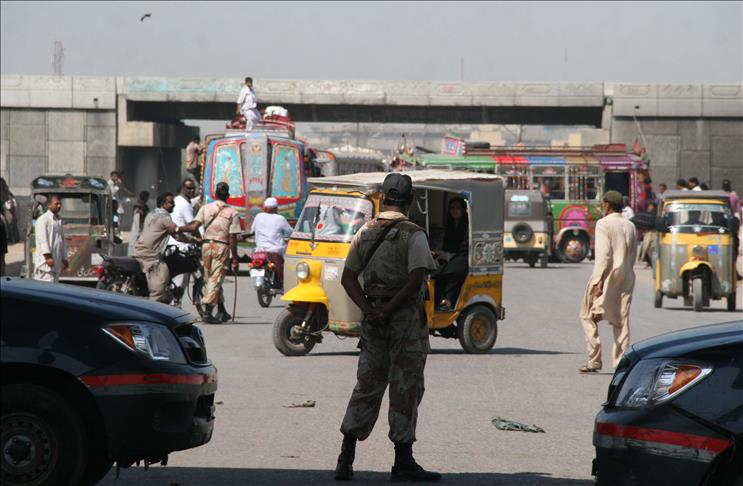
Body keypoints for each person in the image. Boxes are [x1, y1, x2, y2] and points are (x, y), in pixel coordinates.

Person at [335, 173, 440, 483]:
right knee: (405, 387)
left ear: (382, 197)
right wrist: (390, 310)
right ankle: (402, 462)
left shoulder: (364, 231)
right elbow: (416, 278)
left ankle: (346, 458)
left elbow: (348, 278)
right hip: (404, 323)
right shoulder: (414, 234)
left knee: (367, 384)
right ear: (410, 201)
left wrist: (371, 310)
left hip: (373, 321)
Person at [578, 190, 637, 373]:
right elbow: (633, 255)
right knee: (621, 320)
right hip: (626, 277)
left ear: (607, 205)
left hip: (607, 277)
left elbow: (603, 256)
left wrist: (598, 282)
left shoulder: (603, 224)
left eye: (603, 203)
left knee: (587, 315)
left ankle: (594, 359)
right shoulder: (630, 226)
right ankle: (620, 362)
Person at [180, 182, 241, 324]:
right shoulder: (233, 212)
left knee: (210, 278)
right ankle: (207, 312)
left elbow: (194, 226)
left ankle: (222, 310)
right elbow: (232, 237)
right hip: (222, 246)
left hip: (206, 246)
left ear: (215, 194)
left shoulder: (205, 208)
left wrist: (182, 231)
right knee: (216, 279)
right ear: (228, 196)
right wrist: (235, 258)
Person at [132, 193, 179, 302]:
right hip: (150, 256)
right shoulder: (165, 217)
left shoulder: (151, 213)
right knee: (162, 278)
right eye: (171, 202)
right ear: (163, 204)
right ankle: (153, 307)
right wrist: (193, 240)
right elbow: (177, 233)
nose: (174, 205)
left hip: (138, 250)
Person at [432, 197, 469, 311]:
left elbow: (465, 245)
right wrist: (439, 253)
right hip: (451, 257)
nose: (455, 211)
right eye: (452, 208)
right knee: (434, 274)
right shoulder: (450, 225)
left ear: (463, 210)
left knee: (448, 272)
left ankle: (448, 301)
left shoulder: (467, 225)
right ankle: (444, 301)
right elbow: (447, 245)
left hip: (464, 257)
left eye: (458, 208)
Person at [168, 179, 200, 306]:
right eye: (189, 188)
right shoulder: (185, 205)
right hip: (181, 245)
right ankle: (176, 303)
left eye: (193, 188)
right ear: (182, 188)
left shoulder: (177, 201)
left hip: (172, 243)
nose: (191, 190)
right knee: (182, 278)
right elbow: (193, 226)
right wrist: (200, 239)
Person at [250, 197, 293, 286]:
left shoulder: (258, 216)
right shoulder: (280, 218)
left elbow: (252, 230)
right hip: (275, 250)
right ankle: (282, 281)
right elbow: (290, 232)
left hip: (259, 250)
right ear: (276, 208)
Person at [33, 194, 68, 282]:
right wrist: (48, 257)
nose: (59, 206)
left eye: (60, 204)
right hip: (45, 266)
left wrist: (64, 258)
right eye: (56, 204)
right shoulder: (43, 220)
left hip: (55, 264)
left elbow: (61, 241)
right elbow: (43, 240)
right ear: (49, 205)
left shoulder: (58, 220)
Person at [128, 190, 150, 256]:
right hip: (139, 230)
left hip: (139, 229)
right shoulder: (140, 206)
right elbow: (139, 217)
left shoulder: (139, 205)